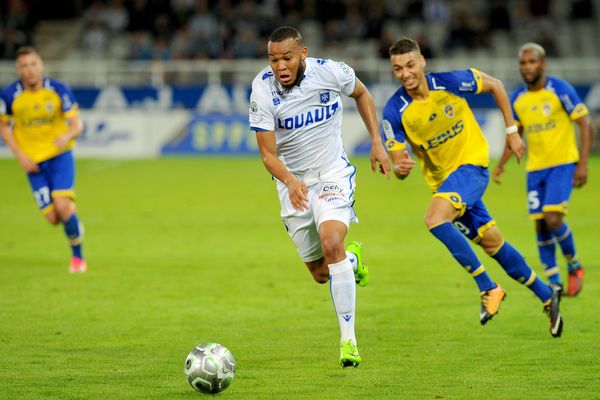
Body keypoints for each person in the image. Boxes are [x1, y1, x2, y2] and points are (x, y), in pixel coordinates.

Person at [380, 37, 562, 337]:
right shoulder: (394, 112)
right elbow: (400, 163)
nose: (405, 73)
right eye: (398, 68)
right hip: (446, 185)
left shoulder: (451, 82)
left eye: (410, 65)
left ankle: (488, 287)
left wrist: (512, 131)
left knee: (434, 219)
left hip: (472, 168)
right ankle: (547, 294)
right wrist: (400, 167)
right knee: (492, 243)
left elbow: (496, 86)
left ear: (422, 61)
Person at [249, 26, 390, 367]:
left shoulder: (331, 72)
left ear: (303, 54)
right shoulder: (262, 88)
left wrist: (376, 142)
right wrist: (291, 181)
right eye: (273, 59)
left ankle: (349, 342)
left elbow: (362, 94)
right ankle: (351, 261)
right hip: (290, 184)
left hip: (331, 175)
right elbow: (267, 154)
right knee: (321, 272)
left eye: (286, 58)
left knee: (331, 243)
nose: (280, 66)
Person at [493, 43, 593, 296]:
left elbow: (585, 124)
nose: (527, 67)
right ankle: (555, 282)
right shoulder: (518, 98)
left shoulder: (560, 89)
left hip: (562, 164)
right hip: (535, 169)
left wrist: (582, 163)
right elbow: (516, 134)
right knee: (540, 224)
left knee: (552, 217)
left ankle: (574, 265)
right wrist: (502, 164)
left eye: (532, 62)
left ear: (543, 64)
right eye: (523, 63)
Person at [0, 47, 87, 273]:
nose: (29, 70)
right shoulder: (9, 96)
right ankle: (71, 216)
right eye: (24, 66)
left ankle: (78, 258)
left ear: (41, 65)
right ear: (18, 70)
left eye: (33, 64)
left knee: (61, 205)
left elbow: (78, 125)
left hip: (60, 156)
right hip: (33, 163)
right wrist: (20, 156)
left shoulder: (59, 90)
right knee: (52, 218)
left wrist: (66, 135)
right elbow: (4, 127)